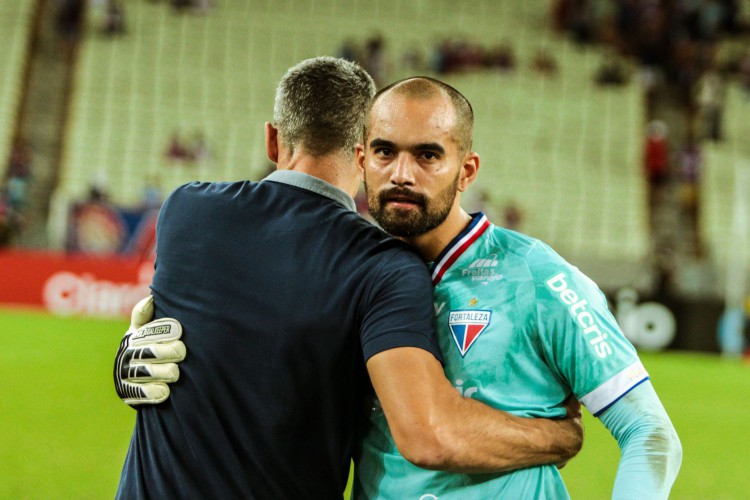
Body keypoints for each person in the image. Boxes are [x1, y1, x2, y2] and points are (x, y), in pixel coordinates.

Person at [113, 58, 582, 499]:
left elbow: (220, 333)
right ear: (366, 155)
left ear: (273, 141)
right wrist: (558, 435)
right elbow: (429, 434)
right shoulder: (384, 267)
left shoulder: (187, 211)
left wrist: (128, 358)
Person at [351, 77, 682, 498]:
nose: (401, 174)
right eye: (384, 151)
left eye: (427, 155)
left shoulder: (536, 276)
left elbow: (650, 434)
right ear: (361, 160)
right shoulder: (349, 277)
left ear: (466, 171)